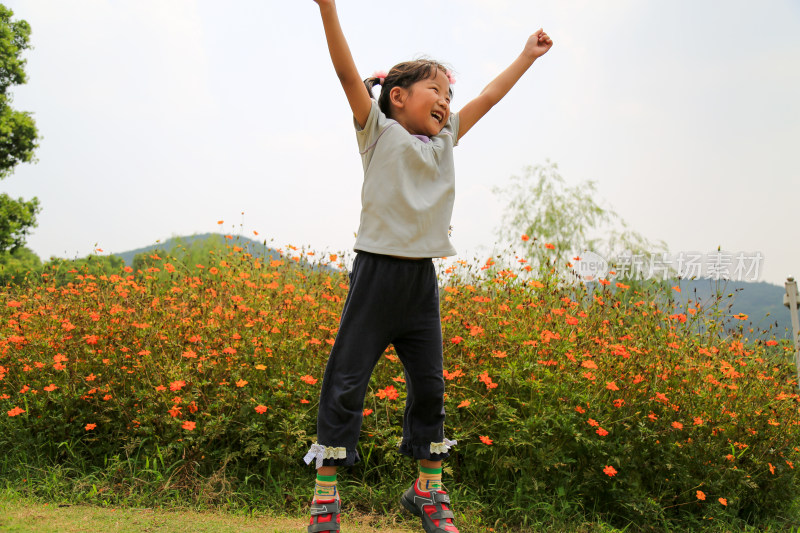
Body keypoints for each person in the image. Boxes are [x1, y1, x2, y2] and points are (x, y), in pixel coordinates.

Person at [305, 1, 552, 532]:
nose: (445, 100)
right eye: (434, 90)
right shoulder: (377, 130)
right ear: (398, 97)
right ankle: (326, 500)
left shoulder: (445, 142)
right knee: (345, 383)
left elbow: (489, 95)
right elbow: (346, 71)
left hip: (420, 282)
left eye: (448, 94)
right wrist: (327, 7)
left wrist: (526, 57)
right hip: (375, 277)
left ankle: (428, 492)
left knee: (431, 388)